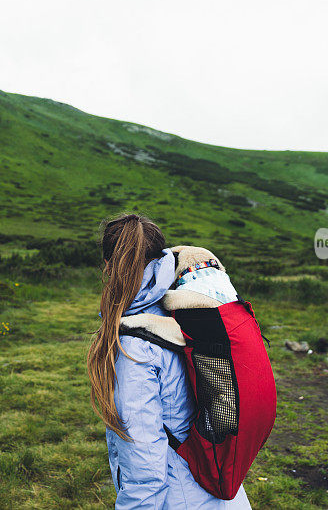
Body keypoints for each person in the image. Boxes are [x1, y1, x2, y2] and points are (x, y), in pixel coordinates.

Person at [87, 213, 251, 509]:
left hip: (180, 498)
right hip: (219, 491)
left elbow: (144, 470)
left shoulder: (134, 346)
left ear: (108, 267)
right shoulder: (184, 310)